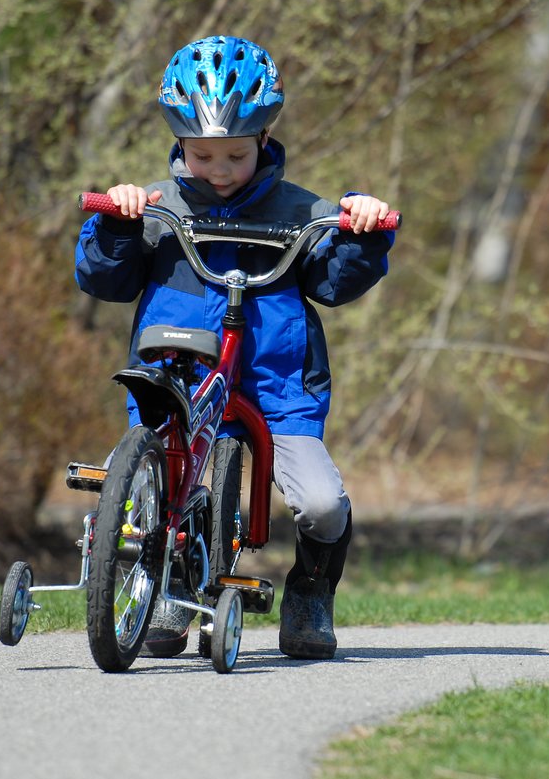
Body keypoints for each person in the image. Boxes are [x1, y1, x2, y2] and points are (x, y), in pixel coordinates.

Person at [75, 35, 394, 660]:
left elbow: (333, 283)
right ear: (179, 142)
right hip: (176, 382)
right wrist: (115, 221)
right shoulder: (152, 207)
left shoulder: (302, 211)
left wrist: (361, 233)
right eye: (202, 155)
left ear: (264, 139)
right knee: (155, 488)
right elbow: (102, 279)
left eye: (235, 156)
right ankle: (166, 584)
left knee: (324, 505)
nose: (218, 170)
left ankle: (310, 593)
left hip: (276, 391)